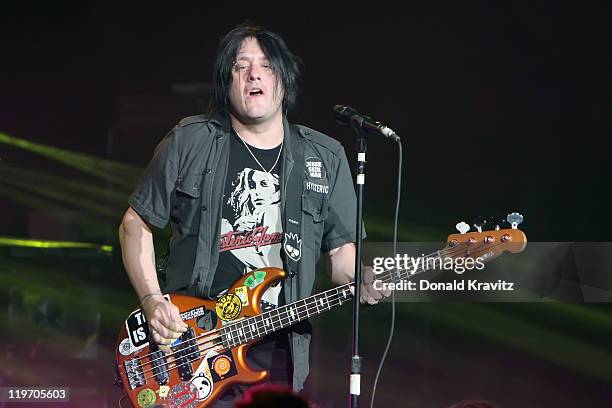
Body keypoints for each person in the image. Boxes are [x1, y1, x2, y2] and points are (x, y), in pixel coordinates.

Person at [118, 22, 385, 405]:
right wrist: (151, 300)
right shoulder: (189, 141)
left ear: (285, 80)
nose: (254, 73)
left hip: (280, 354)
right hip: (192, 347)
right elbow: (135, 224)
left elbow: (342, 255)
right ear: (226, 83)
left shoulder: (325, 157)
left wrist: (361, 278)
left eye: (266, 65)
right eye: (240, 66)